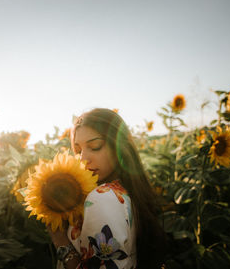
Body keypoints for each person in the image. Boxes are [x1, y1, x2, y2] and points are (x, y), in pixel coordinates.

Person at [48, 108, 167, 269]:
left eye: (95, 146)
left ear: (119, 146)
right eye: (78, 150)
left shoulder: (101, 197)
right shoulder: (126, 191)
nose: (83, 159)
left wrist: (60, 241)